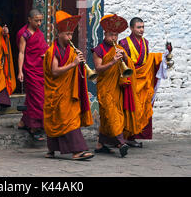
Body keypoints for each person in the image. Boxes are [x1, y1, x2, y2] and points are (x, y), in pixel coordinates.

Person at [43, 10, 94, 160]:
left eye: (71, 34)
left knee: (66, 118)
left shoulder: (71, 50)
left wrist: (78, 62)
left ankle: (52, 150)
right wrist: (73, 63)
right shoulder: (53, 51)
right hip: (57, 92)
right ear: (59, 34)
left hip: (68, 93)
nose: (69, 37)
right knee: (63, 119)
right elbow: (55, 71)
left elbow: (74, 68)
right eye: (67, 34)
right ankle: (77, 151)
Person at [92, 14, 143, 157]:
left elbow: (129, 66)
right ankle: (121, 143)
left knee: (110, 115)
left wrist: (125, 57)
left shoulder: (120, 48)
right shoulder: (98, 50)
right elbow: (98, 69)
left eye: (115, 35)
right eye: (111, 35)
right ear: (105, 34)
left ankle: (100, 144)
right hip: (105, 88)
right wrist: (113, 61)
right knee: (112, 114)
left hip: (117, 88)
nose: (113, 38)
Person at [119, 17, 166, 147]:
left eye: (143, 27)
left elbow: (147, 61)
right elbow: (122, 63)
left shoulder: (145, 42)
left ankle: (132, 136)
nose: (141, 30)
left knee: (140, 109)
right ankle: (124, 136)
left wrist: (162, 57)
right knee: (129, 108)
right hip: (131, 80)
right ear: (131, 28)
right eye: (138, 27)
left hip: (143, 81)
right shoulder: (123, 42)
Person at [16, 9, 49, 141]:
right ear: (29, 19)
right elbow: (21, 53)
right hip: (30, 69)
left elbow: (44, 48)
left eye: (41, 20)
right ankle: (34, 127)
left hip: (41, 69)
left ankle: (23, 122)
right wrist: (20, 71)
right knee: (38, 100)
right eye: (36, 20)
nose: (39, 23)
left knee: (33, 98)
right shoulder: (24, 34)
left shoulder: (39, 33)